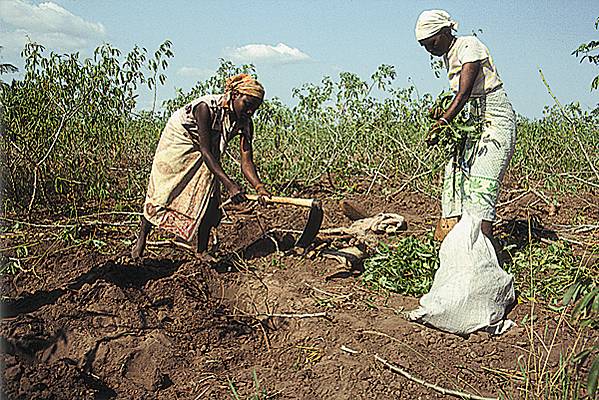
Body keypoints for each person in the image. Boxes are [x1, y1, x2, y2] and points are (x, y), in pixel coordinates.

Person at [132, 73, 271, 259]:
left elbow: (246, 161)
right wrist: (230, 185)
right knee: (164, 190)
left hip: (208, 149)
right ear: (235, 95)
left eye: (255, 109)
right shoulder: (205, 108)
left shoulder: (245, 122)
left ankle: (201, 250)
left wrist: (259, 187)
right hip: (181, 139)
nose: (250, 112)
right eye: (247, 105)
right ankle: (142, 238)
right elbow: (206, 152)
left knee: (211, 196)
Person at [415, 10, 516, 247]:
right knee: (457, 177)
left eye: (431, 43)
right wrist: (441, 113)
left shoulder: (469, 45)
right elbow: (461, 100)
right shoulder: (449, 55)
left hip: (494, 117)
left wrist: (441, 125)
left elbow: (463, 94)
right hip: (472, 121)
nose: (429, 49)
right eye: (424, 46)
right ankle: (459, 247)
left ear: (445, 31)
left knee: (482, 183)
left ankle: (483, 253)